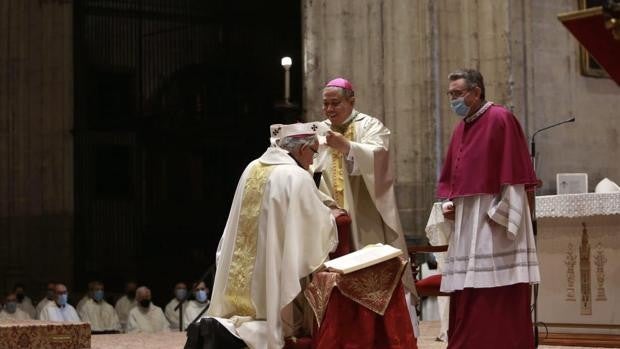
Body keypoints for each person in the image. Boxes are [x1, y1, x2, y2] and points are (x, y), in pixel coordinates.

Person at [205, 123, 340, 348]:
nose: (313, 161)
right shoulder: (296, 175)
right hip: (272, 265)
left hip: (247, 264)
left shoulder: (251, 168)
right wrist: (332, 216)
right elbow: (315, 226)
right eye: (314, 153)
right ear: (301, 149)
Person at [437, 68, 540, 348]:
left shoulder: (500, 119)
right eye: (450, 95)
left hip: (494, 219)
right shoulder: (462, 127)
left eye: (457, 94)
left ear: (476, 92)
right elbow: (457, 180)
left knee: (494, 286)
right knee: (468, 287)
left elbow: (514, 176)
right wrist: (451, 205)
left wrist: (503, 213)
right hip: (468, 220)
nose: (453, 100)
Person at [313, 77, 417, 322]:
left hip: (364, 217)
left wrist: (348, 147)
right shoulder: (319, 130)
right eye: (325, 104)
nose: (329, 110)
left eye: (335, 103)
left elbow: (379, 157)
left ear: (351, 101)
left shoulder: (370, 125)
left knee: (369, 275)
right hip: (329, 218)